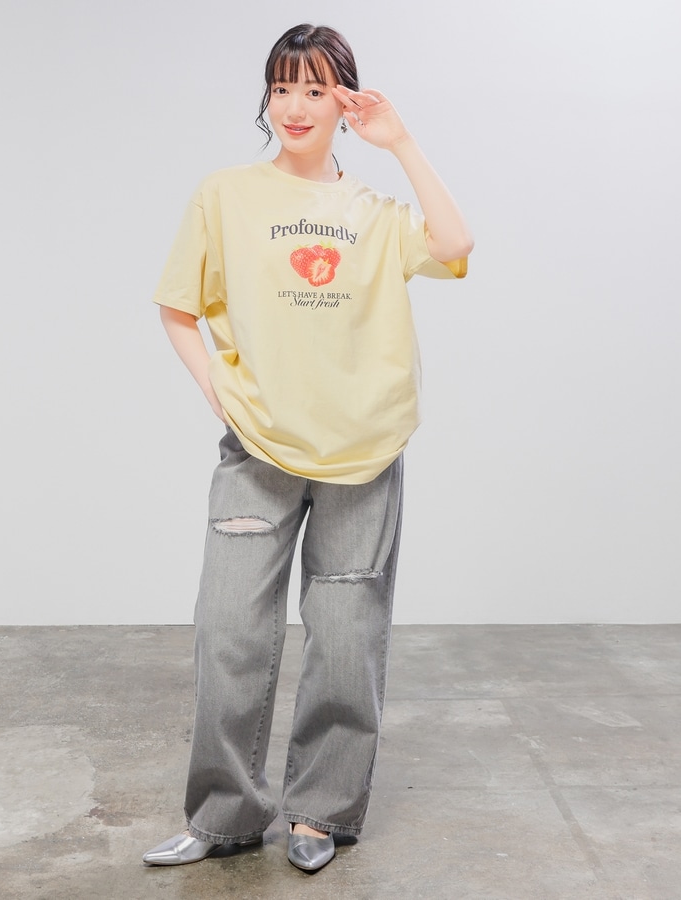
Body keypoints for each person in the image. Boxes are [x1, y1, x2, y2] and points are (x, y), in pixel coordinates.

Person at [142, 23, 473, 873]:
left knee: (346, 639)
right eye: (282, 87)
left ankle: (321, 812)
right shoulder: (225, 195)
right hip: (259, 448)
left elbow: (453, 245)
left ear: (344, 102)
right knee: (229, 633)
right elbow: (178, 306)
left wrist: (400, 143)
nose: (294, 105)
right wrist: (216, 388)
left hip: (364, 452)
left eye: (316, 89)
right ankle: (223, 816)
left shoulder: (374, 213)